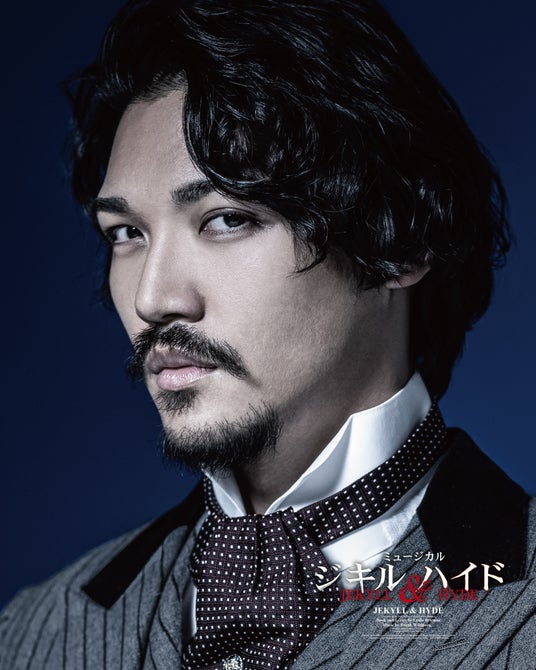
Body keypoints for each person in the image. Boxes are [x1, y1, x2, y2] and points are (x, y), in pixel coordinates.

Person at [1, 0, 534, 668]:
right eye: (127, 233)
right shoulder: (32, 632)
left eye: (227, 218)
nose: (152, 300)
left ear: (401, 240)